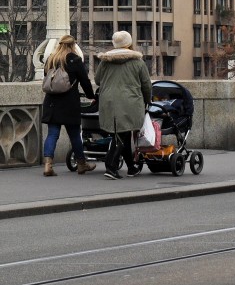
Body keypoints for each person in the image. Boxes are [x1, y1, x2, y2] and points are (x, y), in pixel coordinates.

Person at [95, 30, 152, 180]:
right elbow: (146, 85)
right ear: (129, 43)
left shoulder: (105, 61)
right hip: (130, 101)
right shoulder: (137, 62)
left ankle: (131, 168)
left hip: (108, 100)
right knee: (122, 133)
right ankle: (111, 166)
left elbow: (97, 80)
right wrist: (148, 100)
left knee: (122, 132)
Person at [40, 35, 98, 176]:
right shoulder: (74, 60)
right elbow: (84, 81)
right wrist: (91, 96)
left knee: (52, 134)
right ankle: (81, 164)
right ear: (72, 45)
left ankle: (48, 165)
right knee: (74, 135)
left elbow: (47, 78)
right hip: (69, 103)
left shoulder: (51, 60)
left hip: (52, 102)